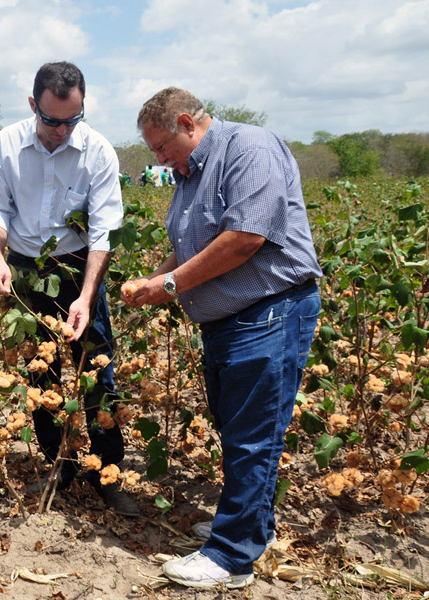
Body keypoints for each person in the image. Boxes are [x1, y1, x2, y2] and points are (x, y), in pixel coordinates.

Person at [123, 87, 322, 589]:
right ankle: (251, 526)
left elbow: (244, 239)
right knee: (238, 431)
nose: (160, 160)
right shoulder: (191, 173)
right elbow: (194, 246)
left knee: (253, 436)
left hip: (268, 313)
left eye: (162, 148)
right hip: (232, 322)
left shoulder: (248, 149)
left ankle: (232, 557)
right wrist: (155, 280)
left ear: (187, 123)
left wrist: (170, 284)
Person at [0, 61, 137, 516]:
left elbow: (104, 230)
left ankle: (108, 470)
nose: (62, 130)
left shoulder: (99, 152)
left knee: (96, 370)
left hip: (78, 270)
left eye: (72, 120)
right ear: (33, 106)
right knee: (38, 374)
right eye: (51, 120)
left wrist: (86, 296)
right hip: (24, 269)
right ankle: (58, 464)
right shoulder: (5, 145)